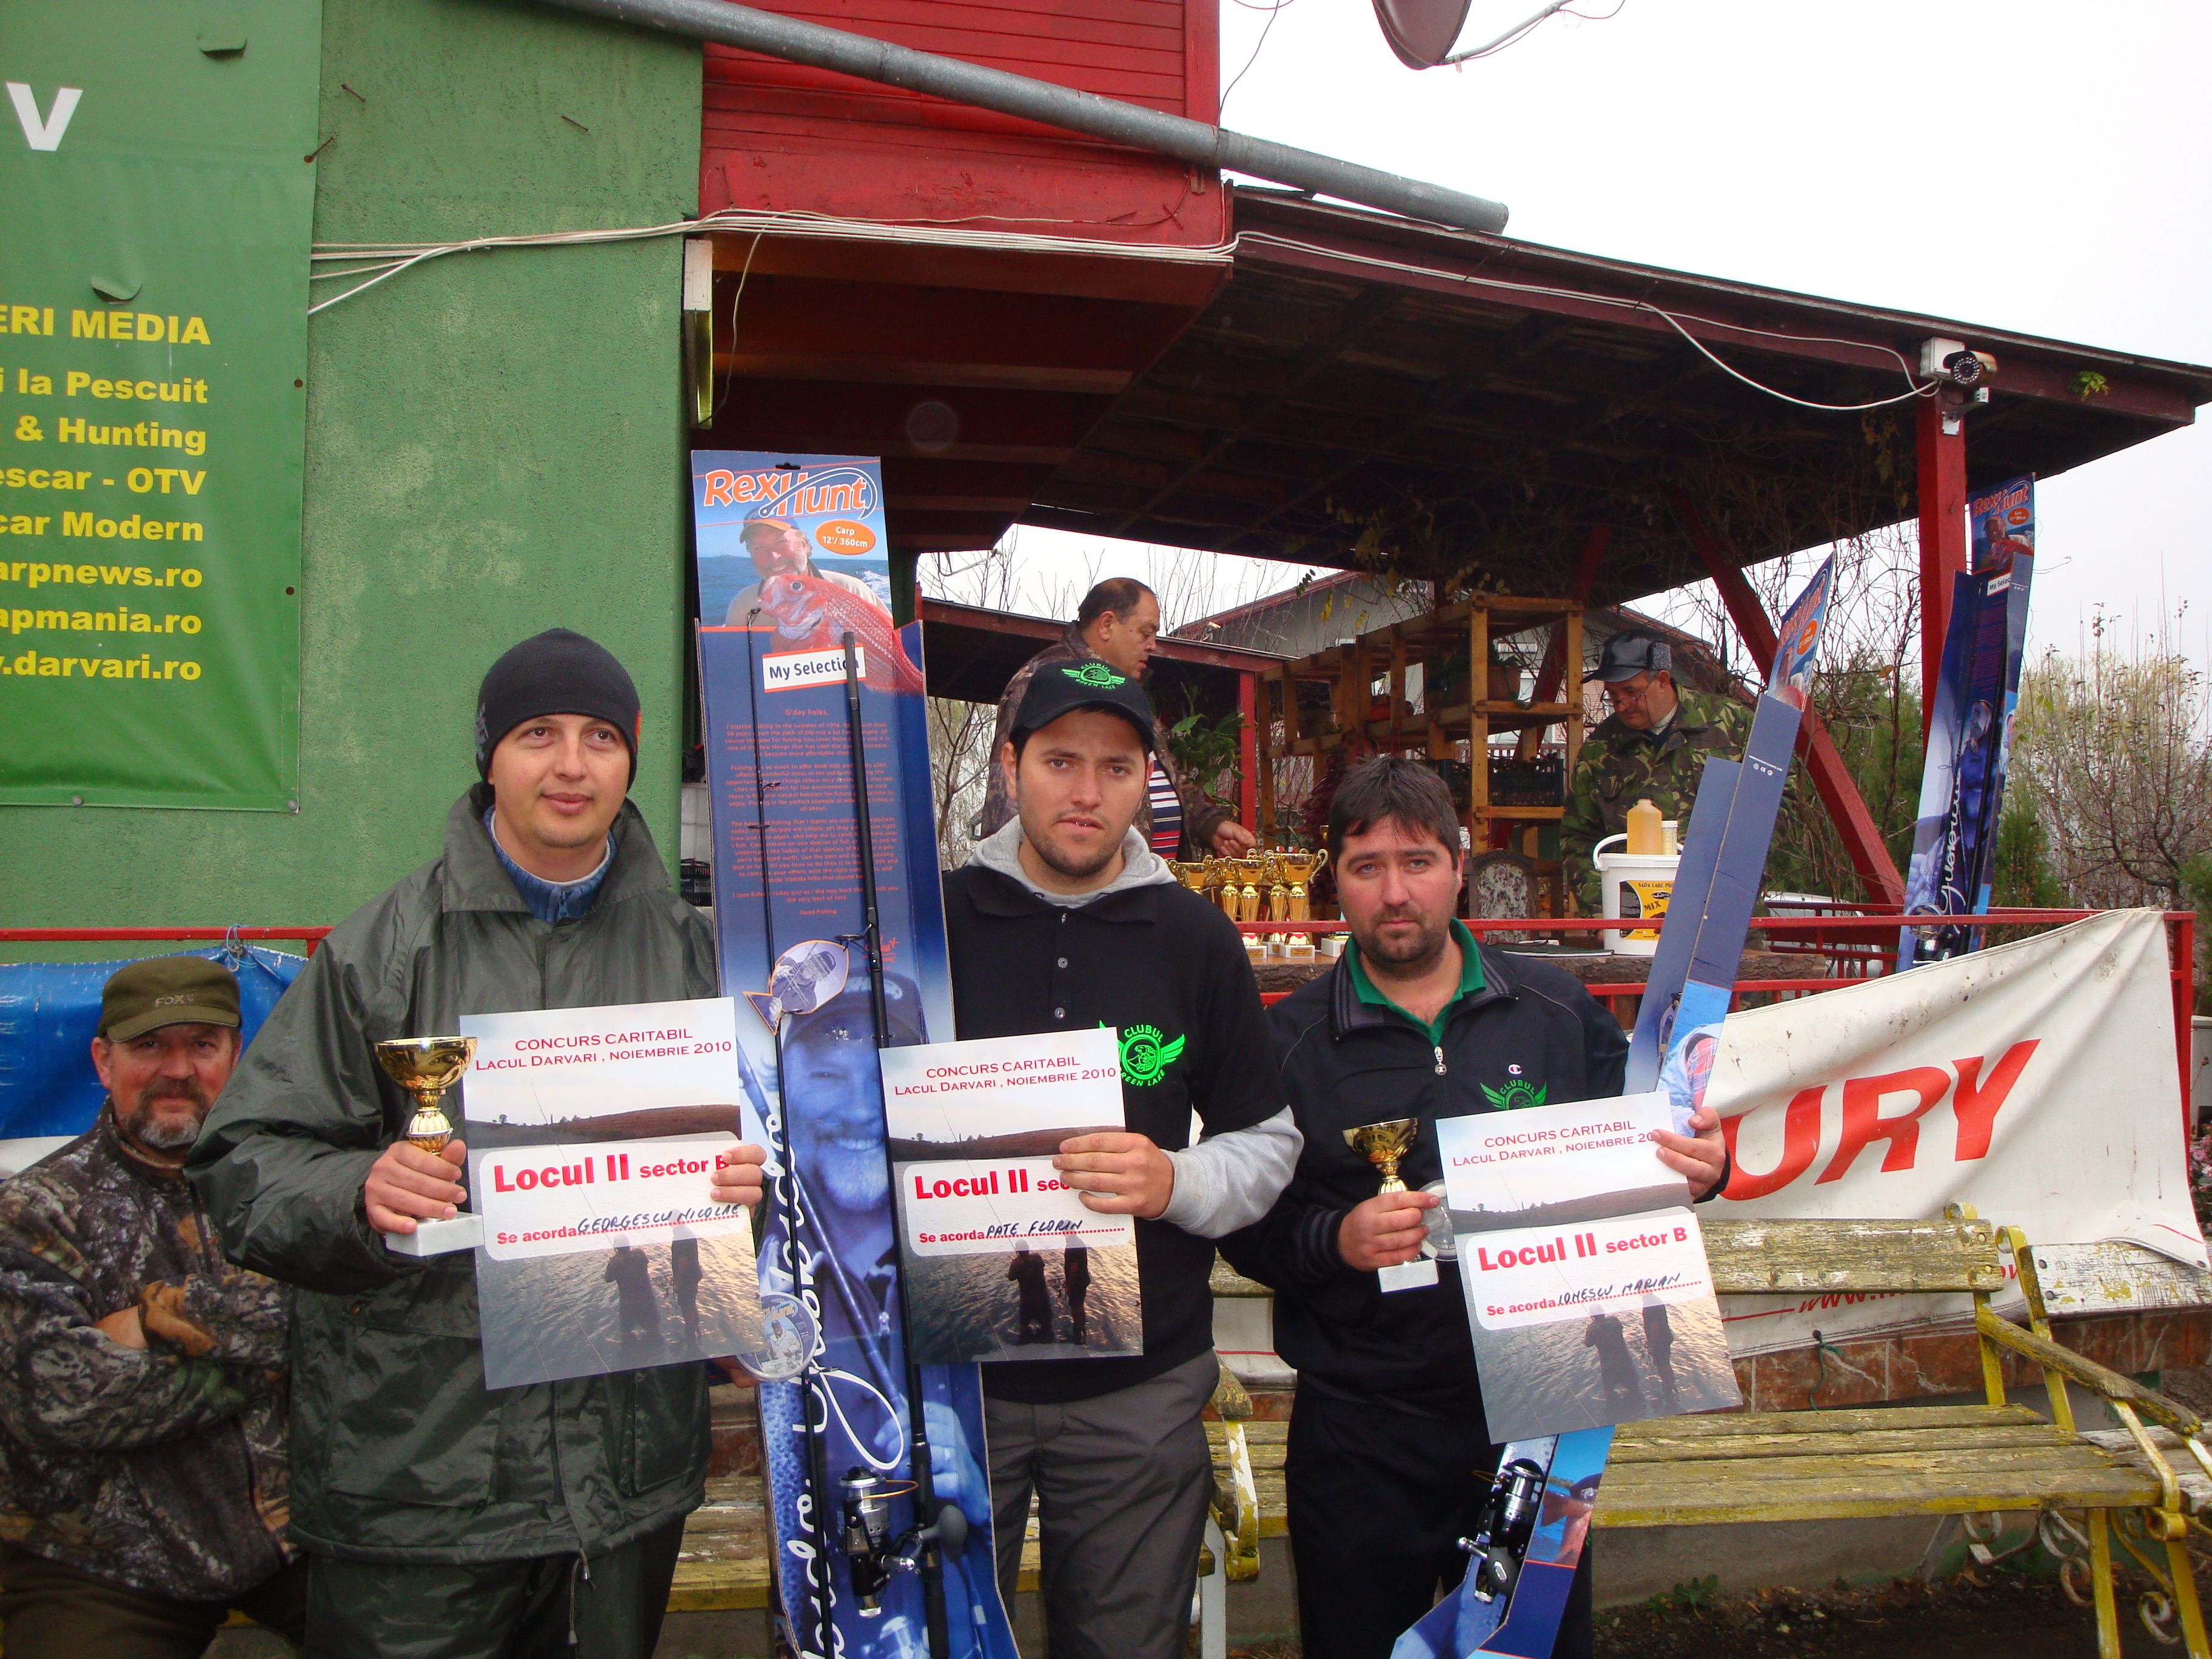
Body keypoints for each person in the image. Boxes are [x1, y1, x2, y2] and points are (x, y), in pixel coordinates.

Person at [185, 628, 768, 1659]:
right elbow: (241, 1162)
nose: (571, 765)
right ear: (489, 754)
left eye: (599, 737)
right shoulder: (384, 947)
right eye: (538, 734)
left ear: (632, 754)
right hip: (420, 1487)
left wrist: (746, 1195)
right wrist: (356, 1191)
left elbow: (785, 1175)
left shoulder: (700, 954)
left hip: (622, 1483)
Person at [1222, 756, 1729, 1659]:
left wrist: (1702, 1168)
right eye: (1367, 866)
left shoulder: (1556, 1011)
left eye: (1418, 862)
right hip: (1361, 1431)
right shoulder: (1288, 1041)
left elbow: (1646, 1151)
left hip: (1537, 1424)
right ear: (1334, 880)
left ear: (1459, 868)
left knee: (1530, 1651)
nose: (1395, 892)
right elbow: (1246, 1224)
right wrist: (1335, 1238)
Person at [943, 659, 1301, 1659]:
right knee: (940, 1638)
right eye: (1060, 760)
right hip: (955, 1382)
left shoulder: (1195, 935)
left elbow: (1268, 1141)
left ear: (1147, 779)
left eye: (1115, 766)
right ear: (1010, 766)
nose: (1086, 792)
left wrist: (1173, 1180)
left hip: (1139, 1389)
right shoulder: (935, 922)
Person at [0, 957, 304, 1658]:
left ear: (235, 1056)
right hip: (99, 1560)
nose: (178, 1070)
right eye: (149, 1046)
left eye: (201, 1045)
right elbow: (56, 1402)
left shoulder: (288, 1183)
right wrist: (275, 1359)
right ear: (103, 1061)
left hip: (292, 1533)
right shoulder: (33, 1210)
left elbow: (346, 1310)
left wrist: (154, 1322)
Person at [974, 577, 1258, 861]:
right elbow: (1007, 804)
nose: (1153, 645)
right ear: (1107, 624)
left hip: (1147, 880)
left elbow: (1165, 774)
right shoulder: (1042, 684)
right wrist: (1011, 878)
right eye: (1146, 633)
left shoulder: (1126, 689)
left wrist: (1210, 825)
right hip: (1083, 883)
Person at [1559, 630, 1751, 914]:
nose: (1622, 705)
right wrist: (1604, 910)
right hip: (1635, 915)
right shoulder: (1600, 750)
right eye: (1613, 695)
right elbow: (1578, 840)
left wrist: (1744, 879)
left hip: (1723, 909)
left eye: (1632, 693)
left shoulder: (1731, 724)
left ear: (1662, 680)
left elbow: (1775, 805)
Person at [722, 517, 880, 624]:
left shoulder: (853, 591)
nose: (774, 556)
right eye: (759, 548)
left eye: (781, 542)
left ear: (803, 545)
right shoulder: (742, 607)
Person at [1583, 1313, 1639, 1410]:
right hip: (1624, 1361)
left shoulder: (1592, 1330)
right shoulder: (1614, 1321)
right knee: (1634, 1387)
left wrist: (1589, 1329)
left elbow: (1588, 1344)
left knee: (1609, 1391)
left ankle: (1613, 1411)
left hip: (1608, 1365)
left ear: (1592, 1316)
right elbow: (1620, 1327)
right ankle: (1637, 1407)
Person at [1008, 1247, 1051, 1345]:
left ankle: (1025, 1340)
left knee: (1023, 1325)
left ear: (1018, 1252)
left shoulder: (1017, 1265)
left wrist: (1013, 1264)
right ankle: (1047, 1339)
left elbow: (1011, 1277)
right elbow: (1041, 1264)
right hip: (1042, 1298)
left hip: (1027, 1300)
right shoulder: (1037, 1259)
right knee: (1046, 1323)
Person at [1062, 1242, 1091, 1344]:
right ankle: (1083, 1330)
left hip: (1077, 1283)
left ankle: (1077, 1336)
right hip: (1083, 1280)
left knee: (1075, 1308)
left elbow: (1074, 1267)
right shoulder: (1080, 1243)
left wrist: (1069, 1285)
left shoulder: (1072, 1246)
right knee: (1080, 1305)